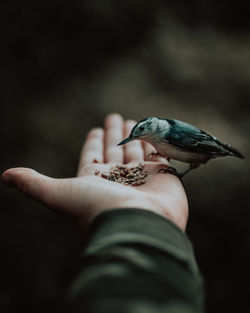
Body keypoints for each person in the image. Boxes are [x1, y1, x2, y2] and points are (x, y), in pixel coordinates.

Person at [2, 113, 205, 313]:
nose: (135, 139)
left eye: (140, 132)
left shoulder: (173, 133)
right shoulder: (161, 139)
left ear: (155, 125)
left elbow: (200, 146)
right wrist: (151, 217)